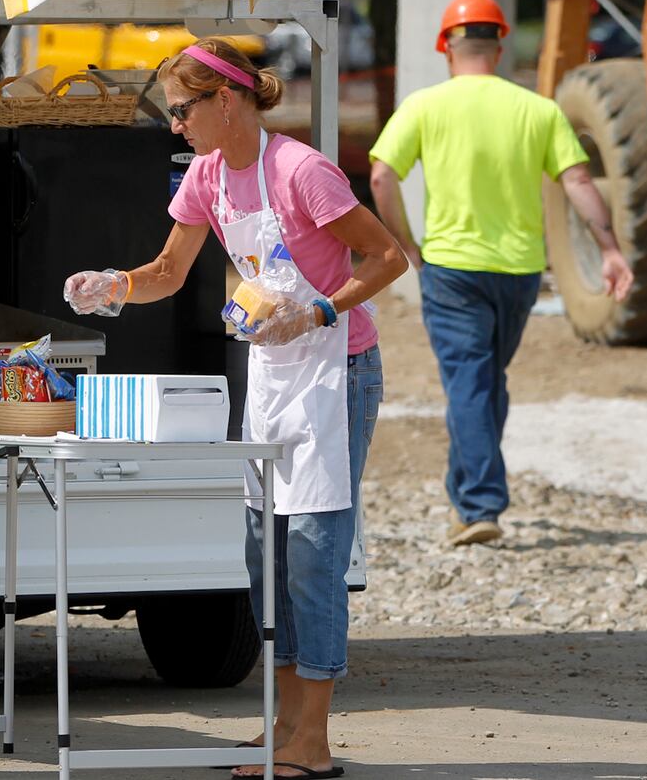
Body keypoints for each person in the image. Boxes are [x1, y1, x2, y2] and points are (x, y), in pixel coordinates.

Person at [65, 38, 407, 780]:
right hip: (274, 370)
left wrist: (317, 314)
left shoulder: (302, 171)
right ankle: (282, 724)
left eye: (183, 109)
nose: (175, 125)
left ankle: (311, 740)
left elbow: (386, 258)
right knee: (265, 551)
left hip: (336, 369)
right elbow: (168, 270)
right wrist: (112, 286)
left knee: (314, 549)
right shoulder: (208, 176)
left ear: (228, 99)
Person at [368, 0, 633, 548]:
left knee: (471, 381)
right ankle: (466, 496)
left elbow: (381, 177)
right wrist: (609, 248)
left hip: (452, 268)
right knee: (486, 381)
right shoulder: (538, 110)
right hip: (518, 273)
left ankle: (481, 503)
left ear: (446, 46)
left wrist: (405, 245)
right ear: (499, 44)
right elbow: (580, 182)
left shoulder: (424, 105)